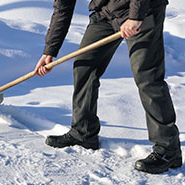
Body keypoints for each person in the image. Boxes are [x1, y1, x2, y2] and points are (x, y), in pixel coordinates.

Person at [34, 0, 182, 174]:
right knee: (84, 65)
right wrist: (49, 51)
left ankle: (168, 148)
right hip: (106, 12)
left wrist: (136, 16)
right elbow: (63, 7)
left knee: (147, 76)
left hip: (144, 9)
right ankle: (83, 131)